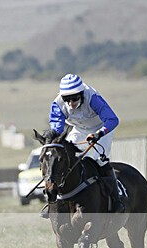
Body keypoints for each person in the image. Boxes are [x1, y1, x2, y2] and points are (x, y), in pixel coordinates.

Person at [44, 73, 125, 217]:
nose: (70, 103)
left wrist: (98, 134)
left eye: (74, 98)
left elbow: (113, 119)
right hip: (79, 130)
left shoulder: (92, 98)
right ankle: (54, 201)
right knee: (66, 159)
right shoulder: (58, 104)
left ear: (81, 94)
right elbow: (57, 128)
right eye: (66, 99)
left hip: (101, 129)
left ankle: (116, 198)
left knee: (99, 161)